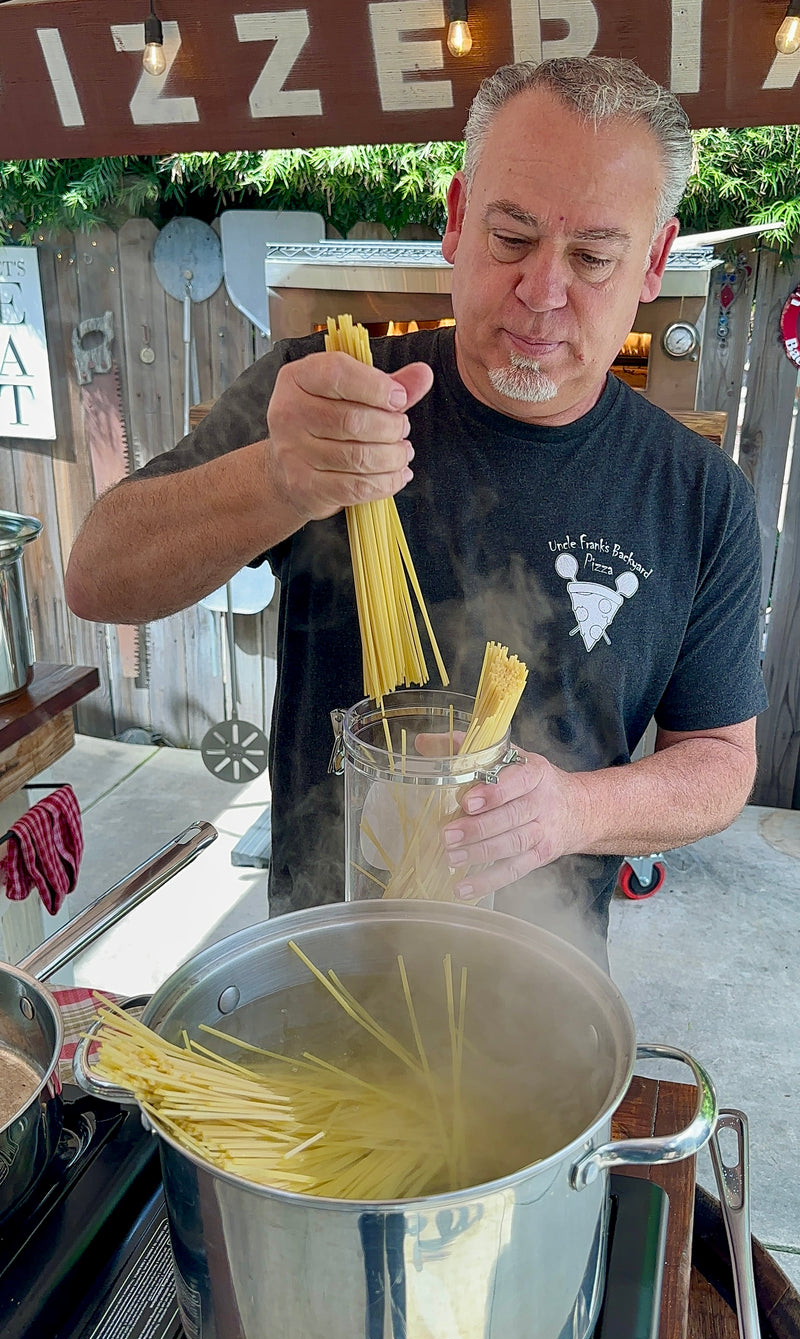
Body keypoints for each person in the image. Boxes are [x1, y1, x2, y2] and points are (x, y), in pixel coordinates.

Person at [65, 56, 767, 970]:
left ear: (654, 261)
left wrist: (573, 811)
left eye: (593, 256)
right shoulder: (325, 392)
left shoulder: (699, 496)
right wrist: (280, 479)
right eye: (512, 237)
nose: (544, 291)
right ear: (456, 217)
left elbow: (720, 759)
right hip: (326, 954)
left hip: (540, 979)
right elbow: (97, 578)